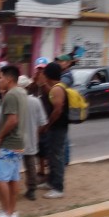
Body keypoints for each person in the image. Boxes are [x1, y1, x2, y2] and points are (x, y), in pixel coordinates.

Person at [0, 65, 28, 217]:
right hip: (18, 142)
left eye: (1, 78)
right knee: (12, 179)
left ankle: (7, 212)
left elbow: (12, 120)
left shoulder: (11, 95)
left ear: (9, 79)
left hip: (9, 142)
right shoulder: (21, 92)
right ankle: (11, 211)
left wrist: (0, 136)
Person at [38, 62, 68, 199]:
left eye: (44, 73)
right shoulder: (55, 88)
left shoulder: (57, 89)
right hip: (55, 128)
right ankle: (50, 182)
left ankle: (58, 188)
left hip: (58, 128)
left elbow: (57, 109)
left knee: (56, 157)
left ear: (48, 74)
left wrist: (48, 124)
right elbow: (49, 96)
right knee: (51, 155)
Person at [17, 75, 47, 201]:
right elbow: (43, 122)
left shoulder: (15, 100)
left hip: (15, 139)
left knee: (11, 164)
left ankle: (10, 189)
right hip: (31, 139)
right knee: (30, 165)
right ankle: (31, 189)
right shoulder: (36, 101)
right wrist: (37, 134)